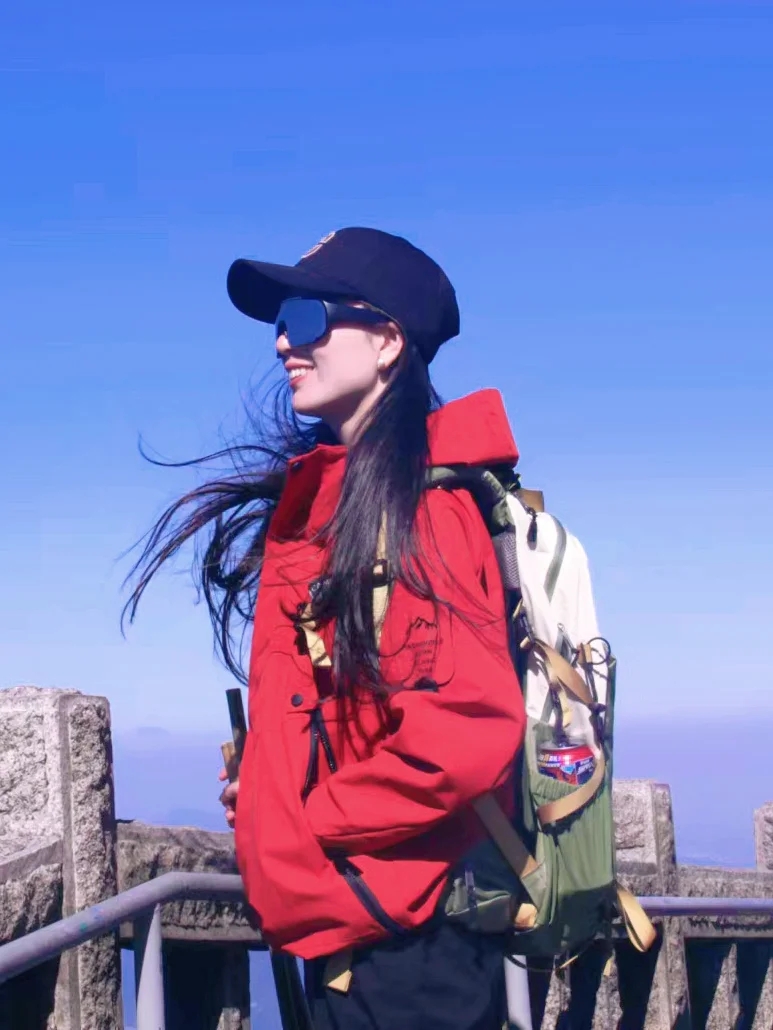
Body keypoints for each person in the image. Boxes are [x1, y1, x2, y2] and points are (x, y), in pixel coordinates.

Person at [126, 227, 527, 1029]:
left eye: (309, 318)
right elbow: (357, 713)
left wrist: (301, 816)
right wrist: (272, 783)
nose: (284, 341)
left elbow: (466, 727)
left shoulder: (422, 513)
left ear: (387, 342)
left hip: (411, 948)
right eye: (281, 320)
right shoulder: (351, 504)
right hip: (368, 928)